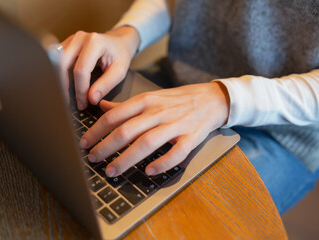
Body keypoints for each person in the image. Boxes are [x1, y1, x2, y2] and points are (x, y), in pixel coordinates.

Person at [60, 0, 319, 214]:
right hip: (177, 82)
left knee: (177, 219)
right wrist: (128, 33)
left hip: (283, 131)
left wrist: (223, 99)